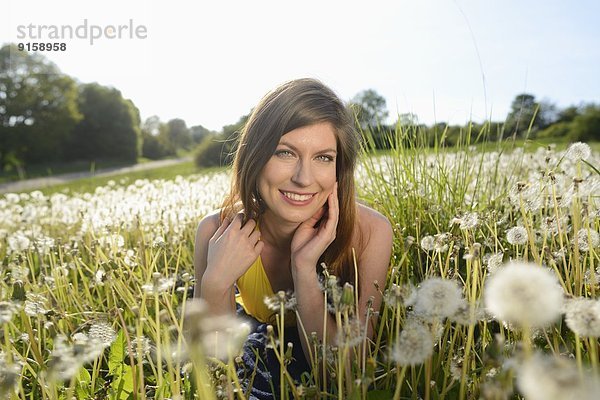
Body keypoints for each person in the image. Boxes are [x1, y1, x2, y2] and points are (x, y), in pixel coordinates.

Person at [193, 78, 393, 398]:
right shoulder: (215, 233)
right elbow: (215, 372)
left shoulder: (370, 233)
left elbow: (345, 371)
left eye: (323, 157)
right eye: (285, 153)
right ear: (255, 157)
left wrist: (304, 269)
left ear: (339, 168)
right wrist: (215, 284)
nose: (303, 178)